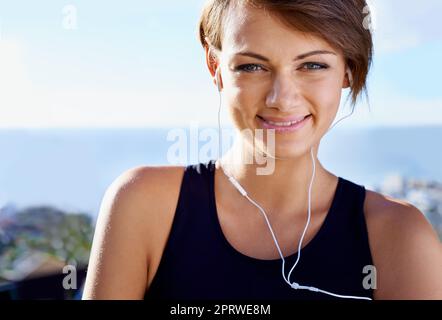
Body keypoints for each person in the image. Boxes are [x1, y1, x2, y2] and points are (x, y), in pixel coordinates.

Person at [82, 0, 442, 300]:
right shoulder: (143, 205)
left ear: (348, 69)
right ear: (215, 67)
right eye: (252, 66)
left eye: (312, 65)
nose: (281, 99)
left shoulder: (397, 234)